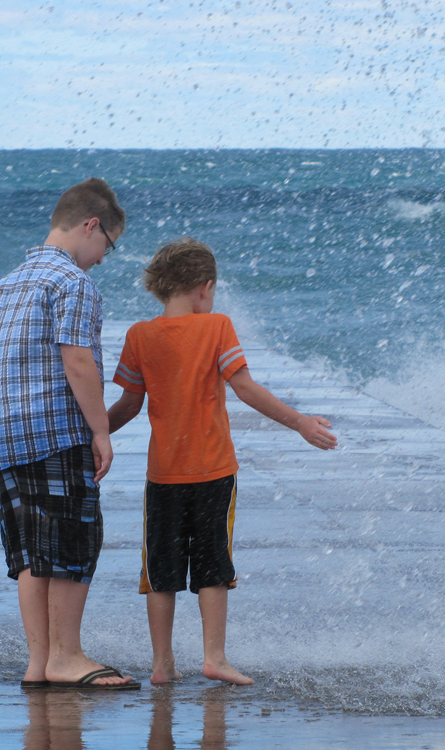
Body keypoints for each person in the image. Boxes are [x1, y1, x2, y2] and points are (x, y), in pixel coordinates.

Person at [107, 237, 338, 686]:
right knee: (213, 565)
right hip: (213, 471)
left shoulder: (140, 335)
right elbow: (246, 388)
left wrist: (89, 436)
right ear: (205, 288)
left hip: (163, 476)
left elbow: (127, 406)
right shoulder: (216, 327)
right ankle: (214, 657)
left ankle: (162, 664)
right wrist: (300, 423)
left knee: (161, 571)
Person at [0, 178, 139, 690]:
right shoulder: (71, 282)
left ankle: (40, 662)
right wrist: (101, 431)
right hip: (55, 431)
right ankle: (67, 656)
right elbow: (77, 359)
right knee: (74, 541)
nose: (101, 259)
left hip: (5, 435)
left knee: (31, 551)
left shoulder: (9, 282)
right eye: (107, 247)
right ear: (91, 225)